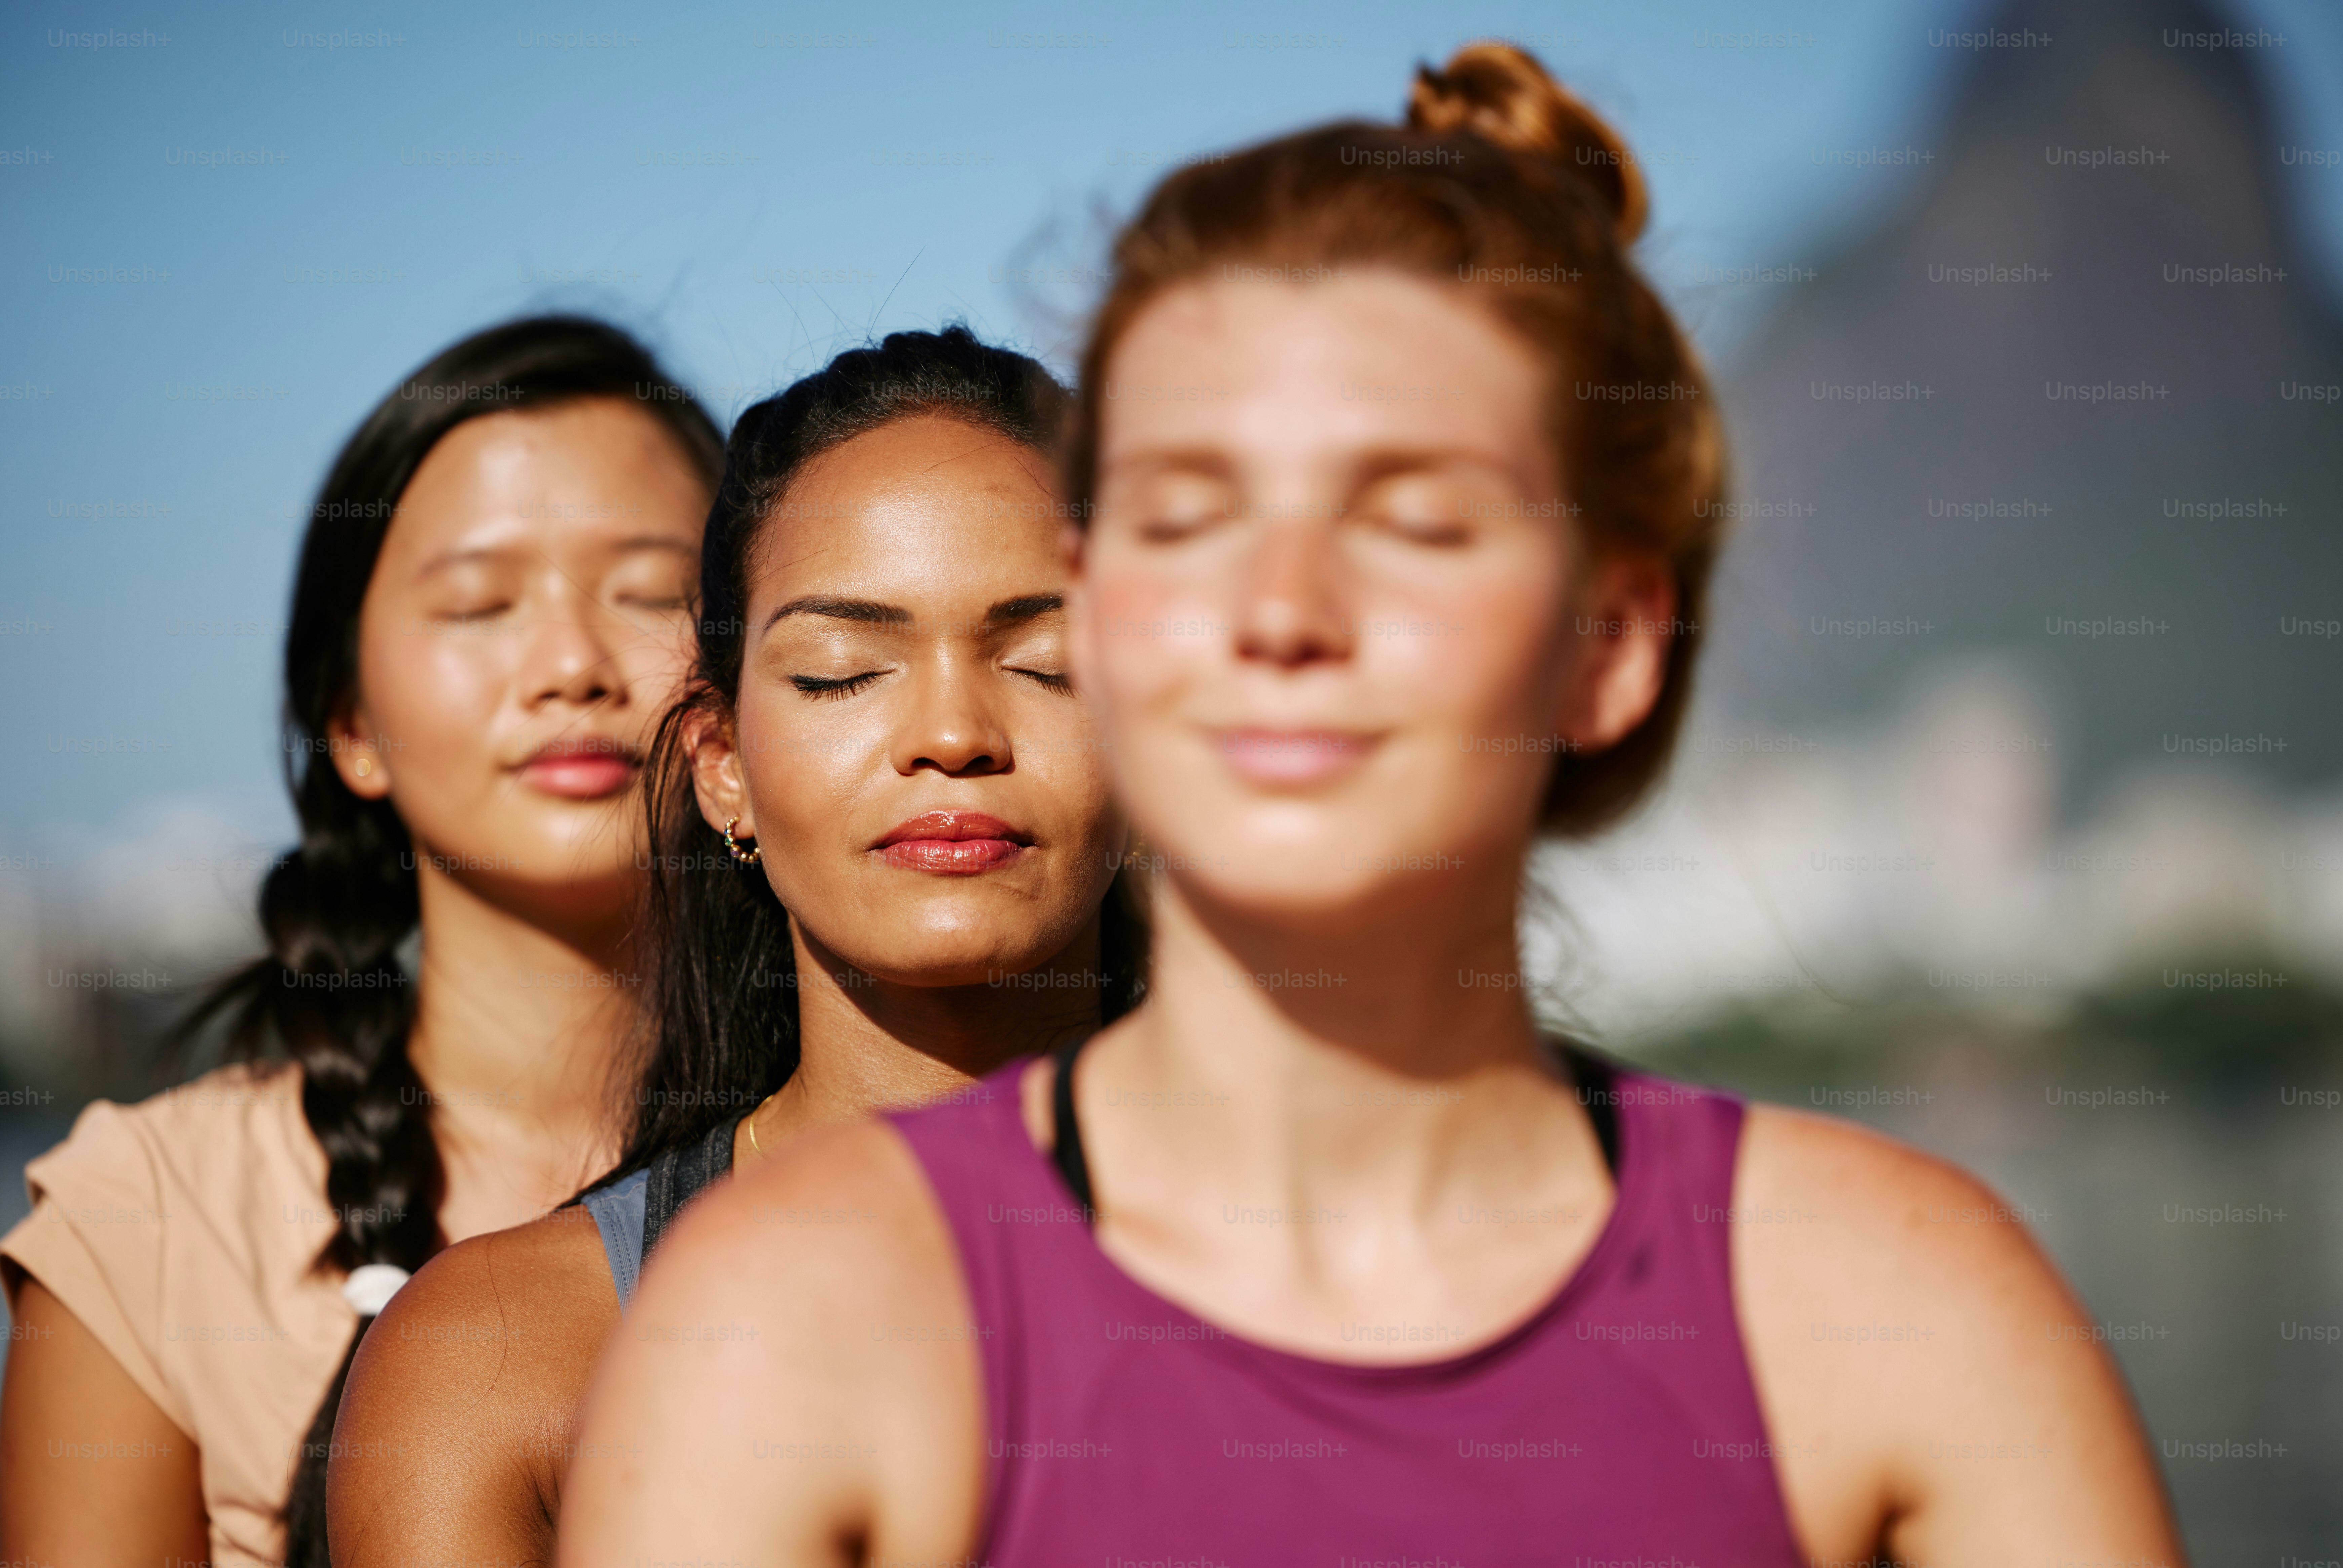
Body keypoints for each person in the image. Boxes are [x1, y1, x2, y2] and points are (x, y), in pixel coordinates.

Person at [558, 42, 2186, 1567]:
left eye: (1407, 518)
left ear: (1606, 644)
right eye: (1185, 511)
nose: (1281, 609)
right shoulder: (785, 1326)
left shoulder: (1897, 1313)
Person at [324, 326, 1140, 1567]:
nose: (953, 735)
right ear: (722, 773)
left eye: (1046, 661)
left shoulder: (1407, 1257)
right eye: (841, 673)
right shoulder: (501, 1356)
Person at [0, 316, 723, 1568]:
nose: (569, 664)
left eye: (654, 591)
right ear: (352, 726)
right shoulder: (153, 1227)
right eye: (481, 603)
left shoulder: (900, 1147)